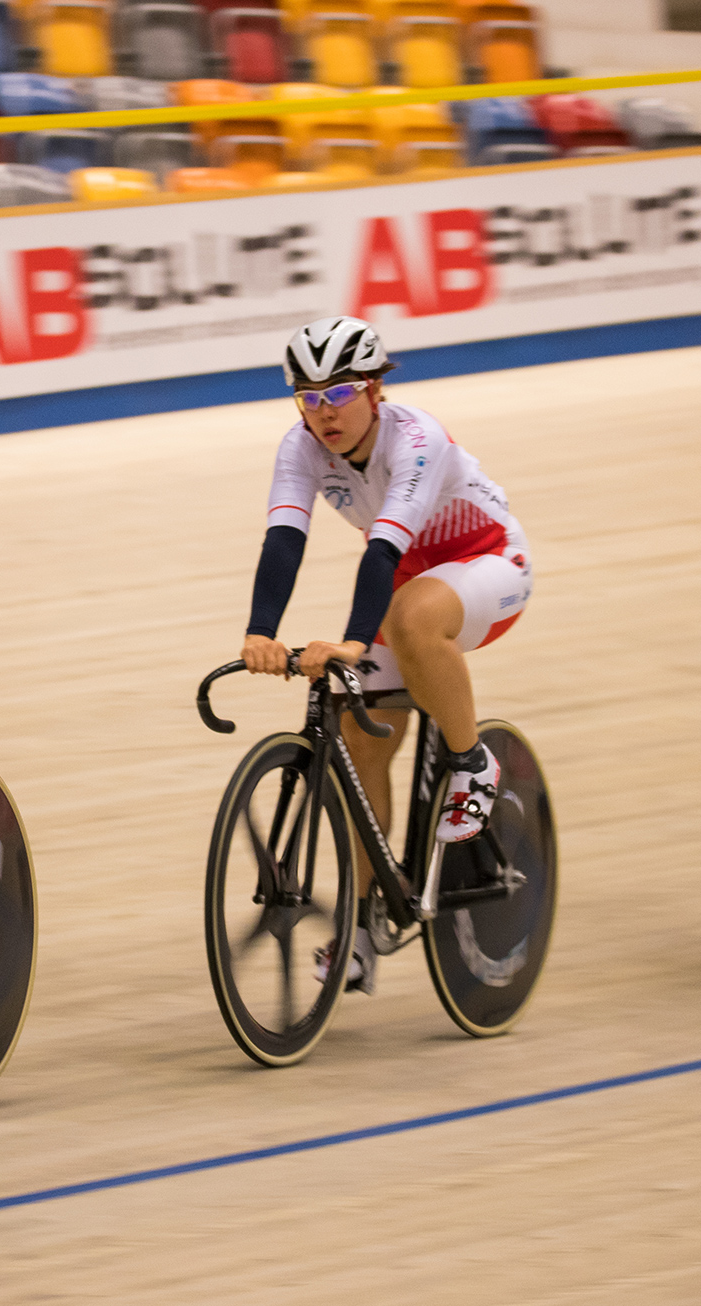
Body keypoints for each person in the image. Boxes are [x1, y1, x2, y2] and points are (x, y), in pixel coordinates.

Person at [241, 316, 533, 994]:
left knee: (411, 617)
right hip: (410, 579)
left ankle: (470, 761)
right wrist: (260, 631)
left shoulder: (416, 439)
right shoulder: (302, 446)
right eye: (307, 397)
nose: (323, 413)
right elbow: (284, 541)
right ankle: (365, 928)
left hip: (488, 560)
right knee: (360, 736)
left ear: (375, 390)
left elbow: (382, 554)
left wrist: (348, 637)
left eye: (338, 393)